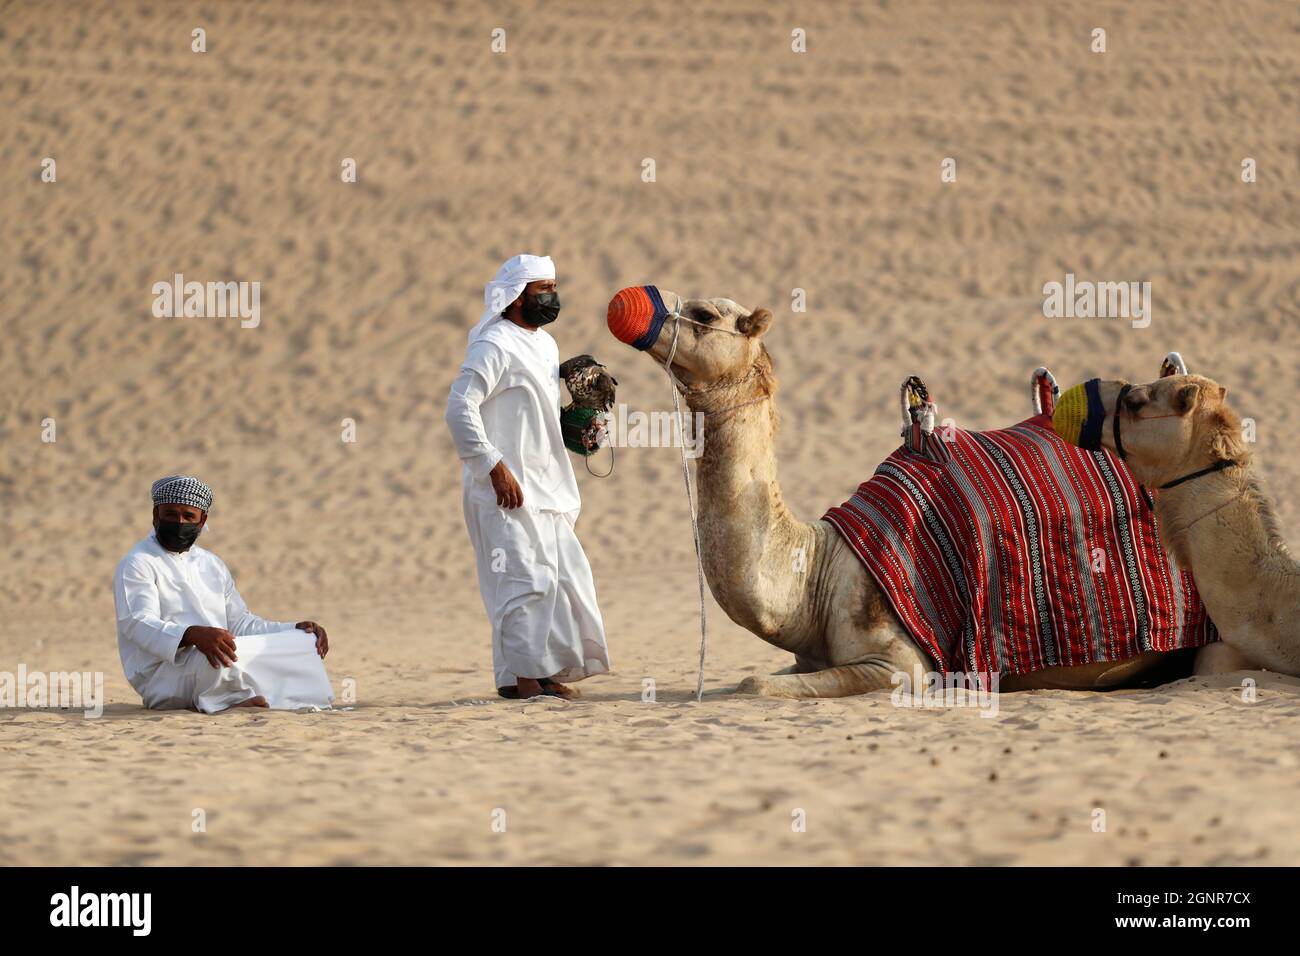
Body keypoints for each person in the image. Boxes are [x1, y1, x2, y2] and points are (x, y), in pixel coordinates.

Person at [445, 254, 611, 699]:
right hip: (505, 488)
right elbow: (459, 408)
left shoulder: (546, 345)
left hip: (548, 482)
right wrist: (492, 466)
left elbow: (533, 412)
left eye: (554, 287)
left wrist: (577, 427)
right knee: (524, 581)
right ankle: (524, 680)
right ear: (516, 296)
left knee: (559, 579)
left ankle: (538, 672)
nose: (551, 298)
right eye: (542, 289)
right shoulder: (494, 344)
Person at [112, 475, 334, 713]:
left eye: (188, 516)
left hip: (216, 654)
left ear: (201, 520)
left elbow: (240, 622)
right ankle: (231, 700)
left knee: (298, 642)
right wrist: (191, 635)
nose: (179, 522)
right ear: (156, 515)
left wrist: (293, 629)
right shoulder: (138, 562)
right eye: (170, 514)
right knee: (216, 660)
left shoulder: (212, 564)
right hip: (164, 674)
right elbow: (136, 621)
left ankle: (259, 697)